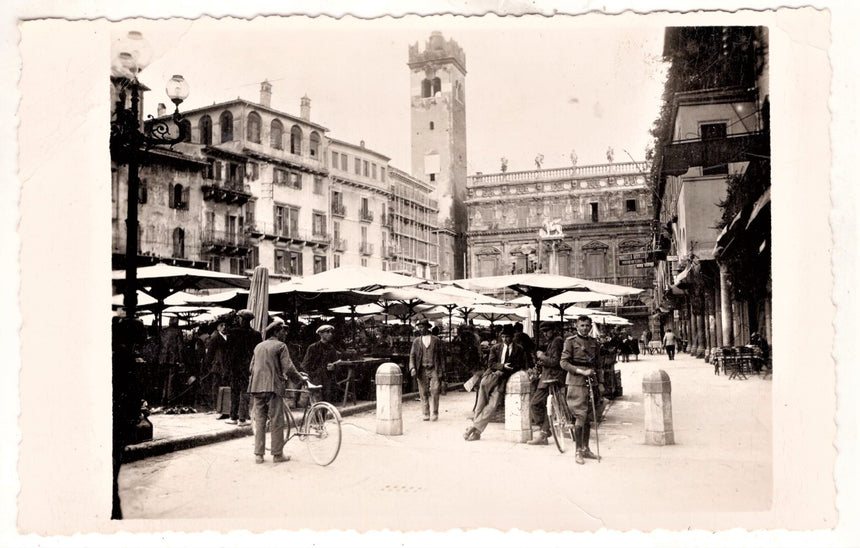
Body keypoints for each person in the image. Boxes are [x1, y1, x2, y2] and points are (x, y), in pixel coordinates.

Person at [248, 318, 306, 464]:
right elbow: (288, 367)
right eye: (283, 330)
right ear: (276, 331)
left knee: (260, 420)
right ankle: (277, 454)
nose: (285, 333)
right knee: (276, 420)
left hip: (256, 387)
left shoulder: (258, 346)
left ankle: (259, 455)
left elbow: (251, 368)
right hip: (273, 387)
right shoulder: (281, 346)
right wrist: (301, 379)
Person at [464, 324, 527, 441]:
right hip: (489, 378)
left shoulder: (519, 349)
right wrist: (502, 366)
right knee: (480, 405)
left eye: (507, 337)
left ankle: (474, 427)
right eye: (503, 337)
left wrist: (506, 370)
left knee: (493, 405)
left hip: (503, 380)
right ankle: (477, 433)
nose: (505, 339)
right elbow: (490, 364)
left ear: (512, 337)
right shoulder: (495, 348)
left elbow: (520, 365)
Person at [560, 315, 602, 464]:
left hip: (592, 381)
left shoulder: (594, 342)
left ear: (590, 326)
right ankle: (578, 451)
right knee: (580, 416)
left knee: (589, 416)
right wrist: (581, 371)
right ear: (576, 326)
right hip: (576, 382)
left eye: (587, 325)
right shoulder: (570, 342)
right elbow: (563, 363)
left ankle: (586, 448)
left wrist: (600, 383)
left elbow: (598, 364)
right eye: (582, 325)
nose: (584, 328)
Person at [527, 322, 565, 446]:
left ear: (553, 330)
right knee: (541, 405)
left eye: (547, 331)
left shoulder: (557, 341)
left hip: (552, 378)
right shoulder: (553, 341)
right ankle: (544, 431)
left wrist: (542, 356)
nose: (545, 334)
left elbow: (555, 362)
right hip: (548, 376)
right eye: (543, 332)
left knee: (535, 403)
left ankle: (544, 432)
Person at [225, 310, 258, 426]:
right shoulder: (256, 334)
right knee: (245, 391)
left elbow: (228, 352)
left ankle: (233, 416)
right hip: (248, 367)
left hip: (235, 367)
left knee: (234, 391)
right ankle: (243, 419)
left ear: (241, 319)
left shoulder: (233, 333)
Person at [409, 320, 445, 421]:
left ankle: (435, 412)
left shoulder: (436, 340)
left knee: (435, 390)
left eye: (422, 327)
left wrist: (442, 370)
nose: (420, 329)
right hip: (421, 369)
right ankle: (426, 413)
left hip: (434, 368)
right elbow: (412, 356)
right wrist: (412, 367)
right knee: (423, 392)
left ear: (427, 327)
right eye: (419, 327)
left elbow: (441, 356)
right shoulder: (416, 341)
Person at [300, 324, 340, 403]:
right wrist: (312, 375)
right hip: (315, 379)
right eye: (327, 332)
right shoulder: (313, 348)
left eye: (330, 332)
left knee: (326, 401)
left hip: (327, 379)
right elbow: (305, 365)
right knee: (316, 401)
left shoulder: (331, 348)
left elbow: (336, 363)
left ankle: (323, 415)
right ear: (320, 334)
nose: (330, 334)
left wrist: (333, 367)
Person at [205, 320, 230, 416]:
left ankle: (224, 407)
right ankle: (216, 406)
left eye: (225, 325)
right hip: (217, 365)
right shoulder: (215, 338)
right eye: (221, 325)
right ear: (218, 328)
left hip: (226, 365)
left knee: (224, 385)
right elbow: (210, 353)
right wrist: (209, 365)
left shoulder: (228, 337)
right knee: (216, 385)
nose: (224, 327)